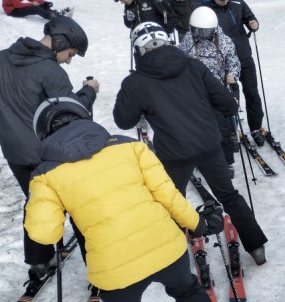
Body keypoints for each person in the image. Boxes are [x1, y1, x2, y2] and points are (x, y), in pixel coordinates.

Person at [25, 97, 235, 302]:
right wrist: (198, 224)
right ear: (83, 117)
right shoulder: (130, 146)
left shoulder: (45, 176)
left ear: (43, 133)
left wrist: (35, 202)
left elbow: (45, 234)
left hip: (115, 270)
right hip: (166, 248)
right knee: (189, 292)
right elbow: (168, 195)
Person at [113, 22, 267, 265]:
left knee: (171, 201)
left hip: (174, 153)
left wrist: (131, 94)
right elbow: (227, 104)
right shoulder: (192, 66)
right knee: (228, 195)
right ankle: (256, 247)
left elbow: (123, 120)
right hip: (209, 144)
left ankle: (171, 255)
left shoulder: (136, 83)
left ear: (138, 51)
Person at [0, 17, 98, 291]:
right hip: (51, 154)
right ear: (61, 42)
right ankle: (100, 269)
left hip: (16, 154)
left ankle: (39, 263)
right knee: (78, 206)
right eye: (71, 54)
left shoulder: (1, 59)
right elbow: (72, 114)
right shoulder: (50, 72)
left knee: (37, 205)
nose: (68, 61)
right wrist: (89, 92)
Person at [203, 0, 266, 146]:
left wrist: (253, 23)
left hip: (244, 56)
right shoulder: (205, 10)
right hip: (224, 62)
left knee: (252, 93)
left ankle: (255, 127)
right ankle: (231, 131)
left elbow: (249, 16)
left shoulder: (237, 2)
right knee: (229, 98)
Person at [179, 7, 242, 176]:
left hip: (217, 90)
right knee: (195, 126)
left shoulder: (224, 41)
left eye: (205, 31)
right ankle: (198, 158)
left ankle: (226, 162)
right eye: (198, 30)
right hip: (195, 90)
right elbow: (180, 58)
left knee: (221, 128)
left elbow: (234, 62)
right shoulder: (189, 40)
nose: (201, 34)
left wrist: (232, 75)